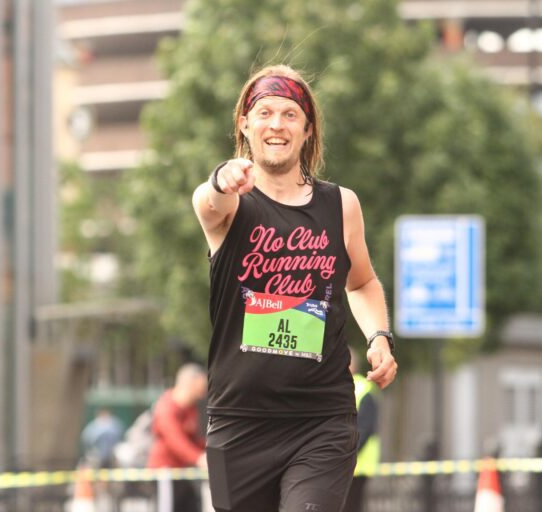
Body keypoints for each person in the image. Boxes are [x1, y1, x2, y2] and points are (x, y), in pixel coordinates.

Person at [192, 64, 398, 512]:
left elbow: (361, 281)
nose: (277, 125)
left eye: (290, 115)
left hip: (321, 420)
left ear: (307, 130)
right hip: (239, 421)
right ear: (244, 124)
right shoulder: (231, 206)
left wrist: (379, 336)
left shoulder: (341, 205)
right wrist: (223, 180)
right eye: (264, 113)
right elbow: (209, 202)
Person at [147, 363, 208, 511]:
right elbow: (175, 440)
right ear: (189, 382)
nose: (204, 389)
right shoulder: (167, 407)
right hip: (165, 473)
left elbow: (194, 440)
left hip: (183, 472)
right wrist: (198, 458)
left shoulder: (190, 408)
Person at [344, 350, 380, 512]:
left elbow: (365, 429)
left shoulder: (362, 388)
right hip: (342, 462)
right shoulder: (336, 387)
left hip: (357, 465)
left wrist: (347, 454)